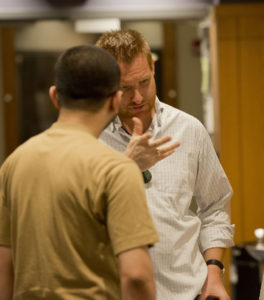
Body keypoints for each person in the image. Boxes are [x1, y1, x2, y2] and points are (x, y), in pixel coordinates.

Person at [0, 45, 160, 300]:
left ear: (54, 96)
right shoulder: (117, 170)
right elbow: (136, 277)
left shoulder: (14, 163)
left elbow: (4, 269)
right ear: (115, 100)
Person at [96, 29, 235, 300]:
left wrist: (214, 272)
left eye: (144, 82)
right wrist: (128, 167)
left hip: (189, 291)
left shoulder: (189, 130)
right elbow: (79, 218)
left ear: (152, 67)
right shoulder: (91, 138)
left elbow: (216, 205)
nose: (137, 97)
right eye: (124, 88)